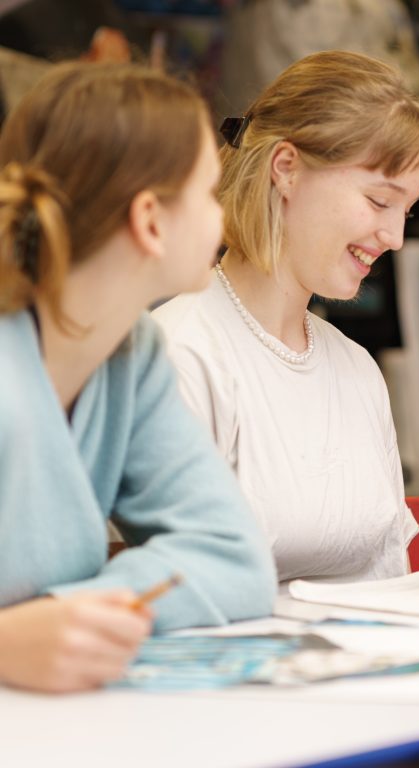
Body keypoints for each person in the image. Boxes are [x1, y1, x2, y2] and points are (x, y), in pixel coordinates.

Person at [0, 61, 277, 693]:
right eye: (210, 192)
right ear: (151, 219)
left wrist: (70, 619)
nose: (223, 214)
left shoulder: (135, 353)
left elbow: (235, 561)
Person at [153, 50, 419, 582]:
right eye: (379, 201)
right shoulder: (179, 355)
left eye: (405, 213)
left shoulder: (356, 368)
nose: (396, 238)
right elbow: (174, 593)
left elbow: (391, 578)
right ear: (286, 169)